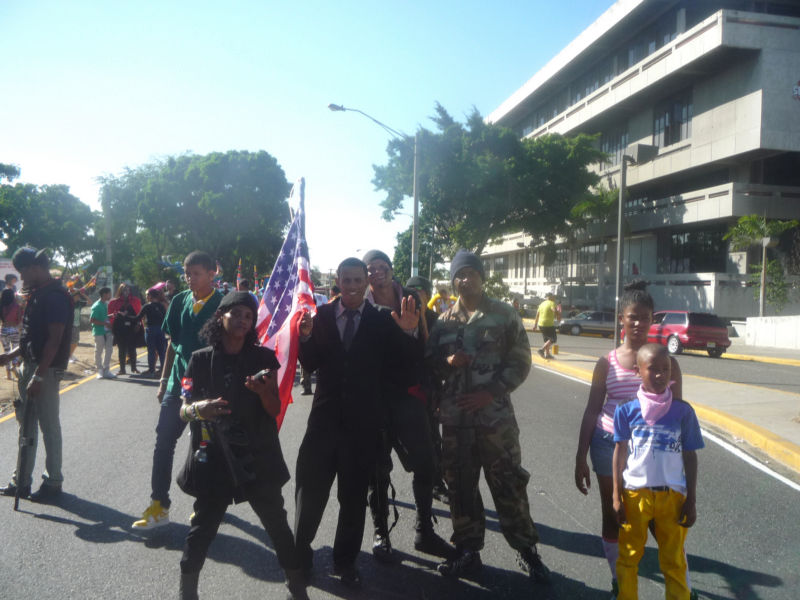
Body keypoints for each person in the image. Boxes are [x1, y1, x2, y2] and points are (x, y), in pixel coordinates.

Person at [426, 249, 551, 584]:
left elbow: (522, 360)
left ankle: (527, 551)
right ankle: (468, 551)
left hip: (495, 419)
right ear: (453, 281)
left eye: (471, 273)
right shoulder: (444, 322)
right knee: (460, 487)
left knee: (508, 483)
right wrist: (447, 363)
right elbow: (429, 364)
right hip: (456, 421)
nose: (465, 280)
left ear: (482, 276)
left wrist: (492, 391)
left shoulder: (504, 315)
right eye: (459, 275)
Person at [293, 257, 419, 588]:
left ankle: (345, 561)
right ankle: (300, 556)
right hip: (323, 422)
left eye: (356, 280)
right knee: (310, 492)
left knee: (352, 499)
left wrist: (408, 333)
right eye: (345, 279)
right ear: (337, 280)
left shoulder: (382, 319)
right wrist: (305, 338)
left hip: (362, 426)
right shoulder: (319, 316)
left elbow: (402, 367)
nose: (350, 286)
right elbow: (312, 362)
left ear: (367, 282)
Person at [176, 291, 309, 600]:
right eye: (236, 313)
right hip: (214, 458)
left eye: (248, 316)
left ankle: (297, 589)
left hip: (257, 458)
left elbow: (274, 409)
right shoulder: (198, 360)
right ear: (220, 316)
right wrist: (200, 408)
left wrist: (263, 393)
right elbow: (182, 410)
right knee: (201, 531)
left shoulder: (262, 359)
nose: (242, 320)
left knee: (278, 527)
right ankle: (187, 593)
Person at [574, 280, 683, 598]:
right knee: (614, 513)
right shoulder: (606, 363)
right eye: (632, 316)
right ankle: (619, 581)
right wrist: (581, 456)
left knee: (658, 523)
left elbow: (676, 415)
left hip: (653, 452)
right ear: (621, 318)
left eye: (645, 317)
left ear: (652, 320)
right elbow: (592, 410)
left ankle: (678, 587)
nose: (638, 323)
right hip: (608, 444)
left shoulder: (668, 363)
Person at [362, 250, 452, 564]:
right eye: (370, 269)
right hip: (374, 399)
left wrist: (411, 331)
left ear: (390, 269)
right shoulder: (360, 305)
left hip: (410, 396)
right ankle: (380, 532)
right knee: (377, 470)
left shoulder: (411, 300)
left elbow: (429, 348)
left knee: (427, 464)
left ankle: (423, 530)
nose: (376, 272)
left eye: (381, 266)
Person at [132, 251, 223, 530]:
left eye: (197, 273)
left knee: (203, 446)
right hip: (177, 384)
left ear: (212, 274)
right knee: (164, 442)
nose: (190, 279)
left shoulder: (223, 305)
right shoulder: (180, 301)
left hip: (207, 387)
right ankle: (159, 505)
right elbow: (172, 342)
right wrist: (163, 381)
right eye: (187, 273)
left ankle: (203, 504)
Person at [613, 343, 703, 600]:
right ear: (638, 370)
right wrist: (616, 496)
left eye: (666, 369)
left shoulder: (683, 411)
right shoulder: (626, 410)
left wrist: (691, 500)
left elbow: (690, 455)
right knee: (629, 557)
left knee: (674, 560)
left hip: (672, 497)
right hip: (635, 495)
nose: (661, 375)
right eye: (653, 369)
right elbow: (619, 453)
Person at [0, 247, 72, 502]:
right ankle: (20, 481)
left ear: (34, 268)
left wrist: (39, 376)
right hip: (29, 366)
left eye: (23, 272)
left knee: (49, 427)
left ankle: (53, 483)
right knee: (26, 426)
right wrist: (9, 356)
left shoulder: (55, 296)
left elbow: (54, 339)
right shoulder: (37, 294)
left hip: (46, 369)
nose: (21, 278)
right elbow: (32, 337)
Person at [406, 274, 448, 504]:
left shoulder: (437, 320)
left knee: (432, 441)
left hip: (428, 389)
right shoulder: (396, 315)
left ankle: (437, 483)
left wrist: (422, 319)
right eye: (411, 291)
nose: (415, 295)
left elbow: (438, 356)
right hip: (400, 390)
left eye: (420, 292)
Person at [108, 283, 142, 375]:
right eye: (124, 290)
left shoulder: (135, 301)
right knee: (121, 349)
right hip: (119, 328)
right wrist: (117, 315)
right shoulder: (114, 302)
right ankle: (122, 369)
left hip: (131, 328)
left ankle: (134, 368)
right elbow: (110, 315)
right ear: (120, 291)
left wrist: (138, 323)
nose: (126, 292)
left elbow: (139, 314)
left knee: (132, 348)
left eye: (127, 290)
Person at [134, 287, 169, 377]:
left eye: (147, 295)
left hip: (151, 329)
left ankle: (151, 370)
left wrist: (125, 317)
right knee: (162, 351)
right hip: (160, 330)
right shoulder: (161, 306)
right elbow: (165, 317)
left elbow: (138, 317)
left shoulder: (147, 306)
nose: (146, 297)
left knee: (151, 351)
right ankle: (163, 370)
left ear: (150, 296)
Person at [89, 287, 115, 380]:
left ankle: (106, 370)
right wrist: (105, 323)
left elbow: (103, 316)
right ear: (104, 294)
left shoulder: (105, 304)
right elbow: (92, 320)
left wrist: (111, 316)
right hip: (99, 331)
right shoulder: (96, 306)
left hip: (107, 331)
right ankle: (99, 370)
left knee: (109, 350)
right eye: (109, 293)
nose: (110, 295)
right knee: (98, 351)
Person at [1, 287, 22, 380]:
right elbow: (19, 320)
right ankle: (14, 367)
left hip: (3, 331)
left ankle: (8, 375)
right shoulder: (17, 306)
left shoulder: (1, 306)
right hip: (14, 330)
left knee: (6, 352)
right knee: (14, 351)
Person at [67, 276, 89, 363]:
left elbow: (90, 302)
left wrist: (83, 294)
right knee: (71, 341)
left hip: (77, 324)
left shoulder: (79, 303)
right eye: (78, 295)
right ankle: (69, 356)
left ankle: (70, 355)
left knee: (75, 342)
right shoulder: (68, 303)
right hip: (70, 325)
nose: (79, 297)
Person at [532, 292, 558, 359]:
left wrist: (535, 325)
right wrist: (557, 313)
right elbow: (554, 310)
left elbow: (537, 315)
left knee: (547, 340)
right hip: (548, 324)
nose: (554, 298)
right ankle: (542, 350)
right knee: (553, 339)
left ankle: (547, 354)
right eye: (553, 297)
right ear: (551, 297)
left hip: (541, 324)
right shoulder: (552, 303)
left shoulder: (541, 304)